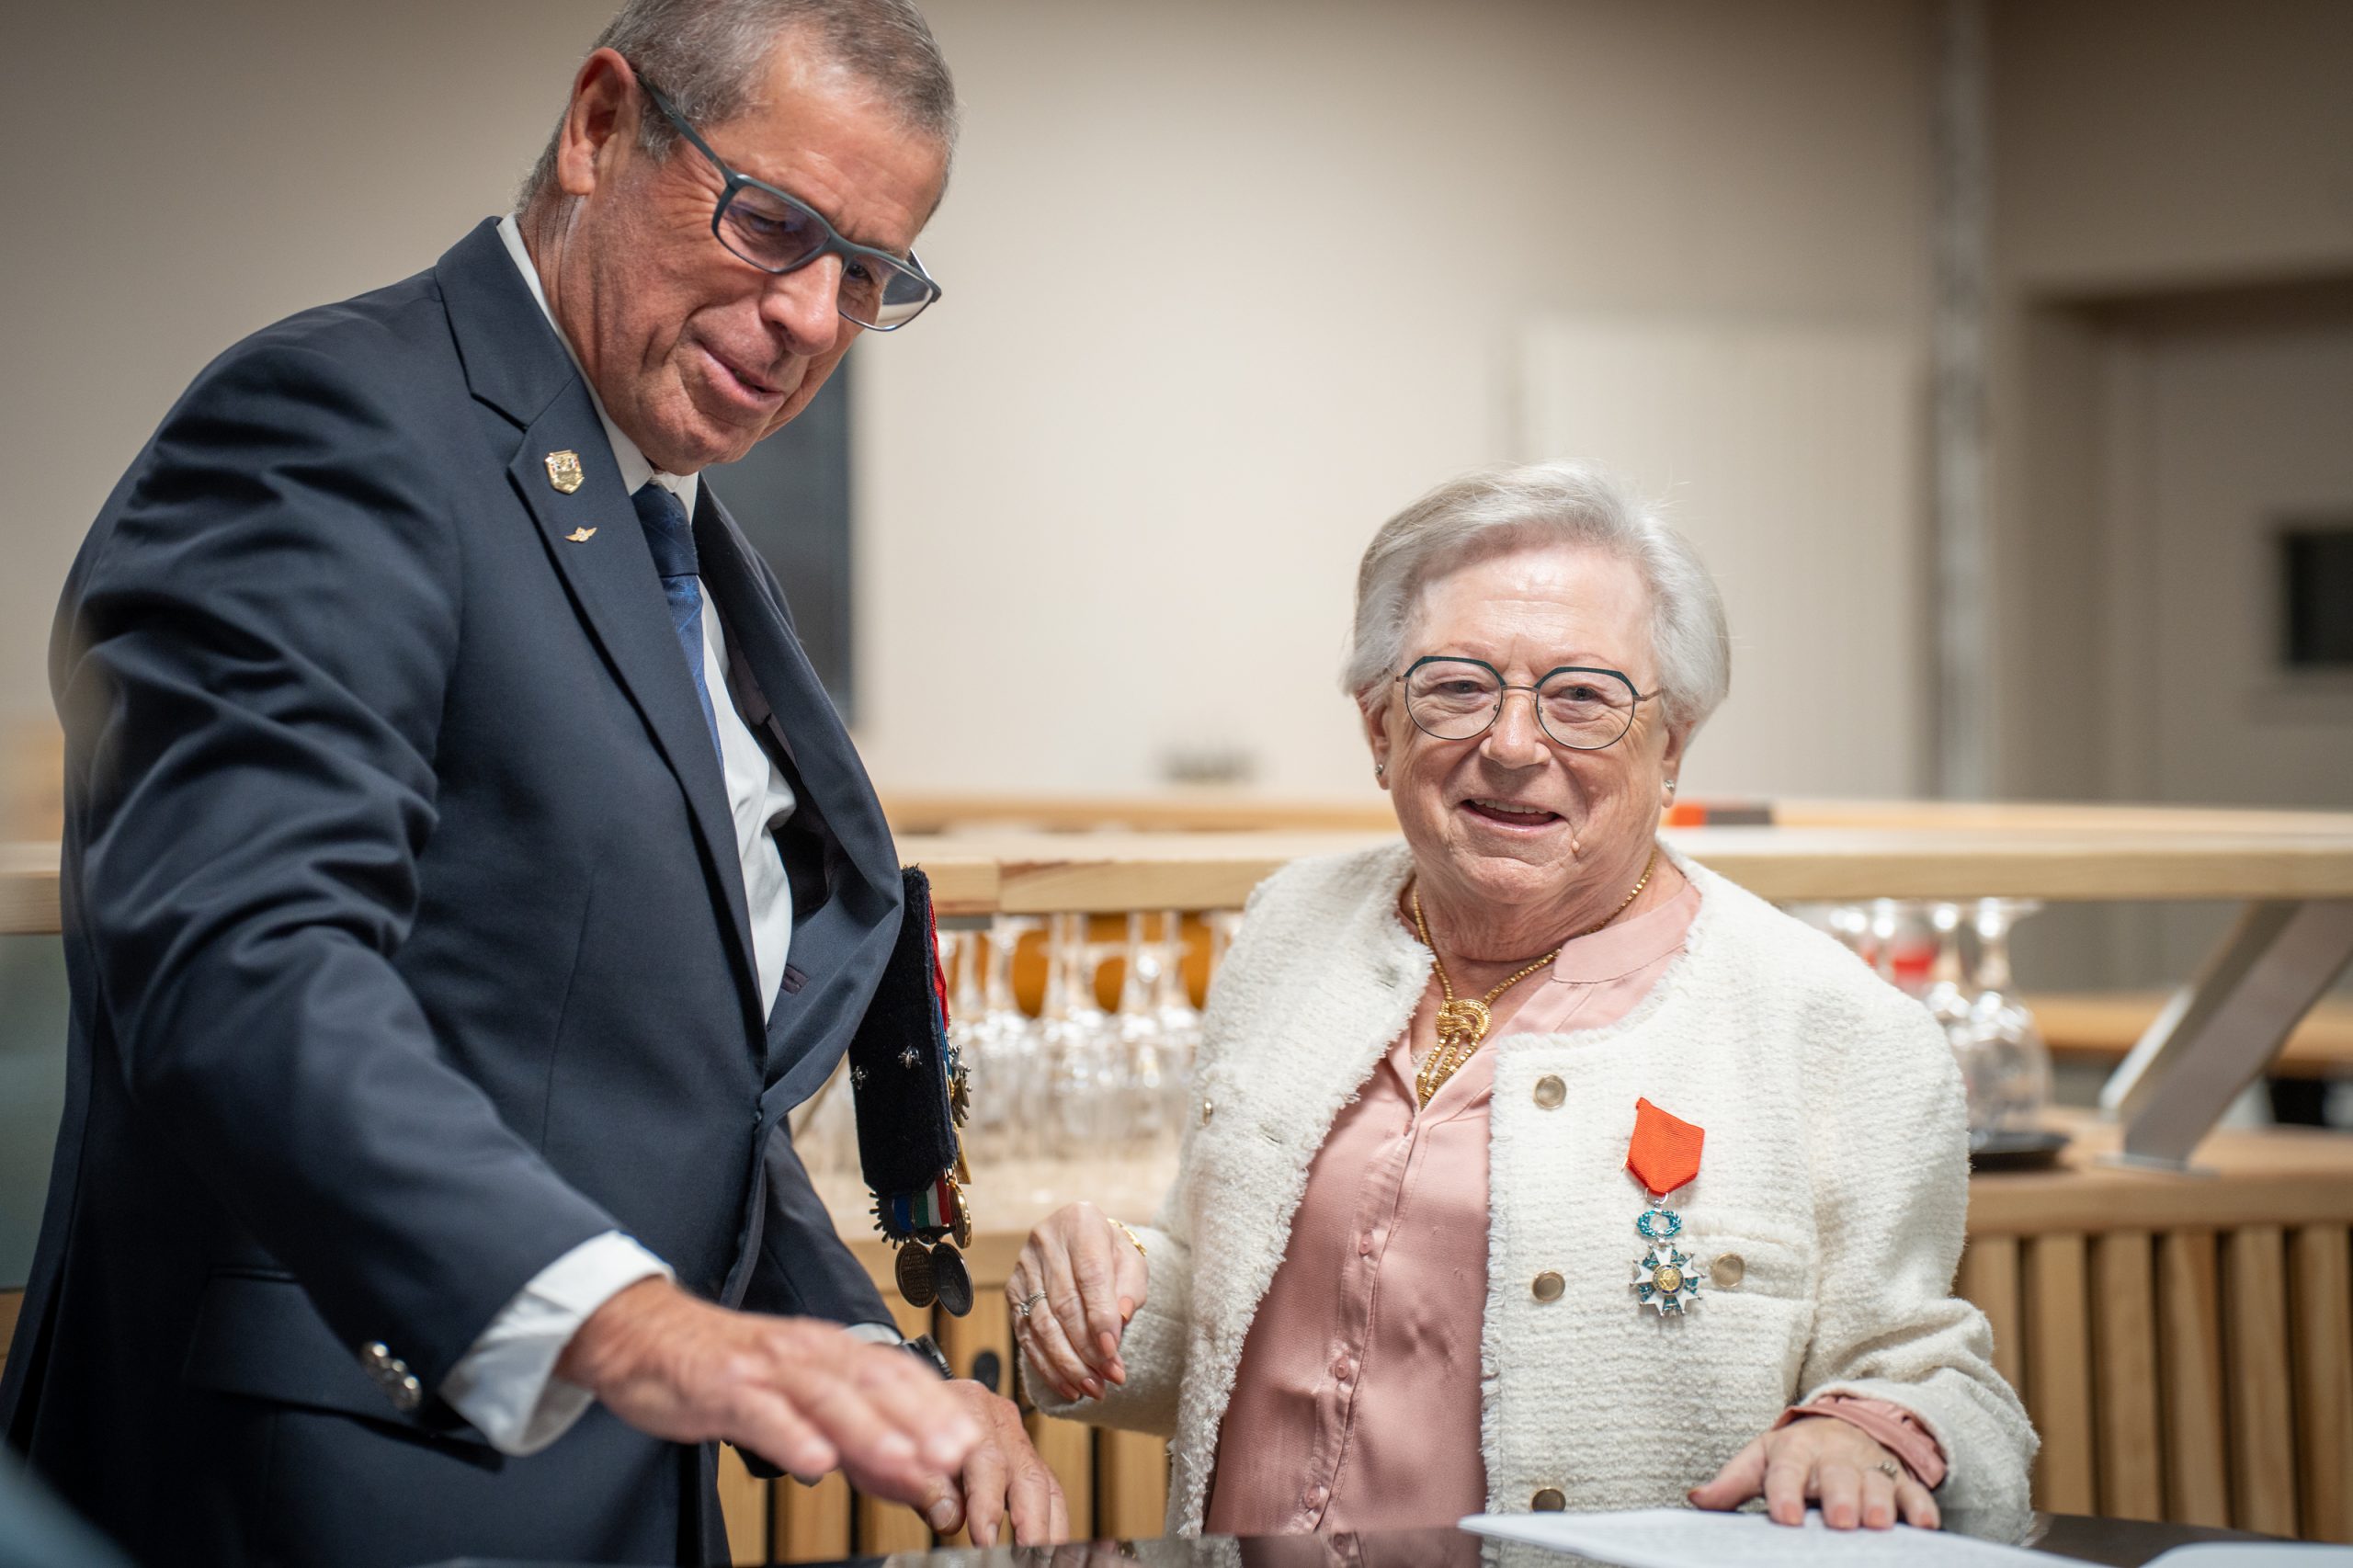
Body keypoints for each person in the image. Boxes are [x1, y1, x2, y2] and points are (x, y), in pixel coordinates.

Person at [0, 2, 1064, 1562]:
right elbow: (246, 967)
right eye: (775, 225)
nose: (811, 318)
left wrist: (868, 1365)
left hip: (606, 1494)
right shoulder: (334, 424)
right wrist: (638, 1326)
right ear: (596, 126)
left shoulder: (669, 533)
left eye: (870, 276)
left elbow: (656, 1081)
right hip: (329, 1484)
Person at [1008, 464, 2036, 1540]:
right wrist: (1099, 1289)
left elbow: (1945, 1383)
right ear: (1378, 728)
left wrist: (1866, 1432)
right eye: (1454, 685)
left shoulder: (1834, 1030)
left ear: (1670, 743)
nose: (1509, 743)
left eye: (1582, 696)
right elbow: (1231, 1321)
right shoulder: (1289, 929)